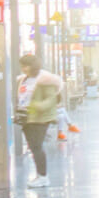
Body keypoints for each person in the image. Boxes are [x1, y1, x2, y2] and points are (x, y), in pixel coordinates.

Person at [15, 54, 63, 189]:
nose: (24, 69)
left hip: (40, 118)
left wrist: (36, 106)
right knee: (33, 146)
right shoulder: (23, 79)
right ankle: (40, 176)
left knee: (36, 146)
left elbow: (51, 99)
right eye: (22, 66)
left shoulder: (45, 79)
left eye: (26, 66)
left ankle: (43, 176)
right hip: (26, 117)